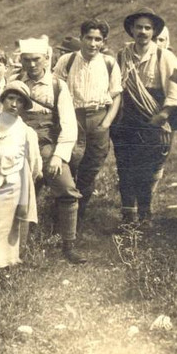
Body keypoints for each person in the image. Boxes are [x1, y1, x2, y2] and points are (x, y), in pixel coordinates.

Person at [110, 7, 177, 225]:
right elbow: (115, 87)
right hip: (126, 119)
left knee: (146, 169)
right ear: (131, 30)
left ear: (154, 32)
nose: (142, 32)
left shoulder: (164, 56)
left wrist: (163, 115)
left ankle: (145, 215)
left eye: (147, 28)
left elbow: (176, 90)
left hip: (152, 119)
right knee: (125, 167)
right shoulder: (122, 55)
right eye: (139, 27)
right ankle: (128, 216)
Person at [15, 36, 86, 263]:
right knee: (16, 194)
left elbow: (69, 125)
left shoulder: (57, 86)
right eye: (26, 60)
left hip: (47, 148)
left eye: (36, 59)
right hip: (19, 148)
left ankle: (69, 245)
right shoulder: (15, 83)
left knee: (67, 190)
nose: (31, 65)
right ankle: (17, 248)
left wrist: (58, 156)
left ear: (47, 59)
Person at [53, 18, 122, 221]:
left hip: (98, 117)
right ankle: (62, 212)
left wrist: (106, 123)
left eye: (98, 39)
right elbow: (55, 89)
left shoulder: (109, 63)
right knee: (70, 163)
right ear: (81, 38)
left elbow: (116, 95)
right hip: (72, 117)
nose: (93, 44)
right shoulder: (67, 60)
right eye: (89, 38)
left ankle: (79, 215)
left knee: (91, 167)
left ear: (103, 42)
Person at [0, 81, 42, 281]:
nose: (14, 104)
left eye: (19, 101)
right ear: (3, 99)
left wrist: (7, 178)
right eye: (11, 98)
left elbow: (34, 166)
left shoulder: (26, 132)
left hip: (10, 187)